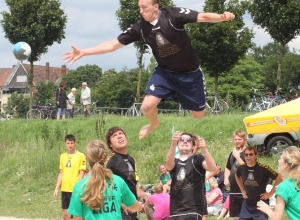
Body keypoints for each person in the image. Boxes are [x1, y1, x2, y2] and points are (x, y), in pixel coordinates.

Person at [63, 0, 235, 140]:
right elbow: (113, 45)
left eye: (144, 7)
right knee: (146, 107)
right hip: (165, 72)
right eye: (139, 8)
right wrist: (84, 51)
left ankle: (187, 98)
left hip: (190, 73)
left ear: (155, 7)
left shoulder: (172, 15)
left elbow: (202, 16)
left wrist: (222, 17)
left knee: (198, 115)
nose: (141, 11)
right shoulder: (140, 27)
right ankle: (154, 123)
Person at [68, 140, 143, 220]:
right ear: (106, 158)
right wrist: (140, 206)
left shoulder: (79, 187)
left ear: (86, 158)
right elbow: (134, 206)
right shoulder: (118, 181)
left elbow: (78, 218)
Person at [166, 131, 217, 219]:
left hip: (193, 209)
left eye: (188, 140)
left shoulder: (197, 158)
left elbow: (212, 168)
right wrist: (173, 143)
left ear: (193, 146)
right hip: (175, 210)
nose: (185, 141)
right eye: (181, 139)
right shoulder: (175, 161)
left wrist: (204, 149)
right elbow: (168, 165)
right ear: (178, 145)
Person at [105, 126, 148, 220]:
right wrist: (120, 203)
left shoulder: (130, 159)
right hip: (119, 211)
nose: (119, 136)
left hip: (132, 210)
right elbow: (102, 186)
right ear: (110, 144)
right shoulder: (111, 161)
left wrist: (143, 194)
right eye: (114, 136)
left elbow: (131, 185)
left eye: (121, 133)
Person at [235, 146, 282, 220]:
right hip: (247, 203)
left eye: (251, 154)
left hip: (261, 204)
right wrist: (242, 190)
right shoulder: (241, 168)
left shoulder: (264, 168)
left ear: (256, 156)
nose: (248, 156)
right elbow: (237, 176)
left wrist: (270, 194)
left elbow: (279, 179)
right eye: (246, 155)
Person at [257, 146, 300, 220]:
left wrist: (267, 210)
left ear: (285, 165)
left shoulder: (283, 187)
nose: (278, 161)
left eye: (280, 158)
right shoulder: (289, 185)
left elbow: (278, 218)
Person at [53, 134, 86, 220]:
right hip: (65, 189)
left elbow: (82, 172)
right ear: (65, 144)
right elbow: (61, 173)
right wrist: (56, 188)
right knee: (65, 215)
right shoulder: (62, 156)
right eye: (68, 143)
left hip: (75, 189)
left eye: (71, 143)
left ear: (75, 143)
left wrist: (78, 186)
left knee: (77, 214)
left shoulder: (81, 156)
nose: (70, 145)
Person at [224, 130, 247, 220]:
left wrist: (237, 156)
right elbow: (228, 167)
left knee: (246, 215)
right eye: (235, 139)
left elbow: (247, 168)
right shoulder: (232, 153)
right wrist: (226, 178)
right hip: (233, 189)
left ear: (244, 140)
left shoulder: (249, 152)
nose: (237, 141)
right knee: (235, 216)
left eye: (240, 139)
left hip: (245, 190)